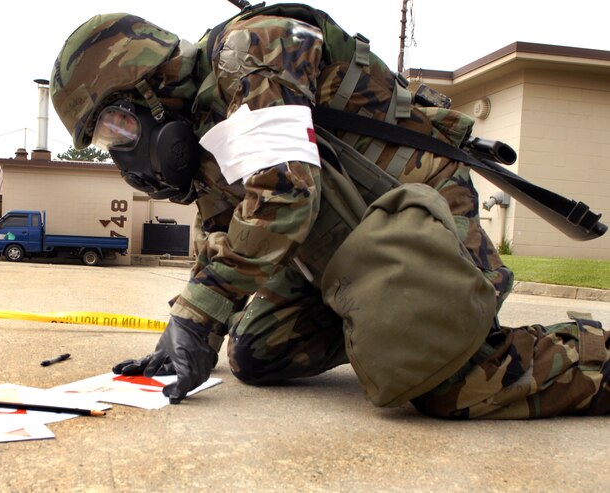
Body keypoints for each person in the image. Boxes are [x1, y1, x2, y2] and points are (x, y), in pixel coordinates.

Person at [50, 4, 609, 418]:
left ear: (146, 83)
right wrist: (186, 333)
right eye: (106, 137)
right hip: (350, 240)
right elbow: (226, 228)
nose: (121, 145)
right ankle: (386, 317)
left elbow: (284, 193)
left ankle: (588, 357)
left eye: (114, 125)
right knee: (256, 354)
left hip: (422, 212)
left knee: (439, 381)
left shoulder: (251, 54)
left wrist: (199, 313)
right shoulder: (202, 125)